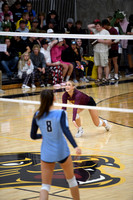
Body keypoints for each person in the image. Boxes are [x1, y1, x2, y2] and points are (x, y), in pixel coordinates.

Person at [30, 89, 81, 200]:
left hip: (47, 153)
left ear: (41, 100)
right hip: (62, 151)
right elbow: (66, 130)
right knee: (71, 180)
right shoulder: (61, 113)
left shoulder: (37, 115)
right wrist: (75, 146)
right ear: (54, 98)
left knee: (45, 186)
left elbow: (32, 136)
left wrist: (42, 136)